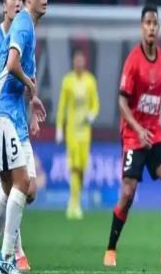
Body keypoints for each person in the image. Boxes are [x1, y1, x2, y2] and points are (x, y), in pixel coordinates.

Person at [103, 5, 161, 267]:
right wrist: (138, 129)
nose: (151, 27)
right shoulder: (132, 61)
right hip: (133, 136)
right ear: (142, 27)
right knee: (127, 194)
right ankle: (111, 249)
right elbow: (122, 102)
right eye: (148, 23)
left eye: (155, 23)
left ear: (158, 28)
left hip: (155, 134)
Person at [0, 0, 48, 274]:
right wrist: (30, 85)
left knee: (13, 190)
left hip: (12, 115)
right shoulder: (23, 24)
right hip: (3, 113)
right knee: (22, 183)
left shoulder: (29, 27)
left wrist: (32, 101)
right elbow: (13, 64)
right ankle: (7, 258)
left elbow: (23, 76)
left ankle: (6, 258)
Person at [56, 47, 100, 220]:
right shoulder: (68, 81)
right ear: (73, 61)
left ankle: (76, 199)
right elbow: (62, 106)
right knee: (73, 166)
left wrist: (92, 115)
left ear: (84, 61)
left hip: (85, 132)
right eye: (77, 59)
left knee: (82, 168)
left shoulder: (90, 80)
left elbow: (95, 104)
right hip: (72, 131)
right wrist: (59, 128)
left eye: (82, 59)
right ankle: (73, 204)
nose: (79, 62)